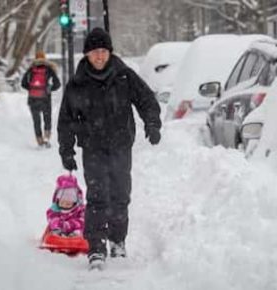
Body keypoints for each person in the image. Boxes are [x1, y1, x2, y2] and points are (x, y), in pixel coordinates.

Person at [57, 27, 161, 268]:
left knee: (120, 195)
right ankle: (96, 248)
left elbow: (146, 100)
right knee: (97, 197)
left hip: (121, 146)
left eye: (103, 51)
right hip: (92, 148)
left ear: (110, 52)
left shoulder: (124, 76)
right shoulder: (77, 83)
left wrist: (152, 124)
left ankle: (117, 241)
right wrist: (67, 150)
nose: (100, 56)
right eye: (95, 52)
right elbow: (66, 120)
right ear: (87, 55)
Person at [21, 50, 61, 147]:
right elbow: (57, 84)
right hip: (45, 99)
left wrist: (31, 89)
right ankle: (46, 138)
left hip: (33, 99)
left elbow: (23, 84)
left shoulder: (31, 69)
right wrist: (49, 89)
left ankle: (39, 140)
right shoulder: (49, 69)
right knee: (47, 119)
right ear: (44, 58)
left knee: (36, 120)